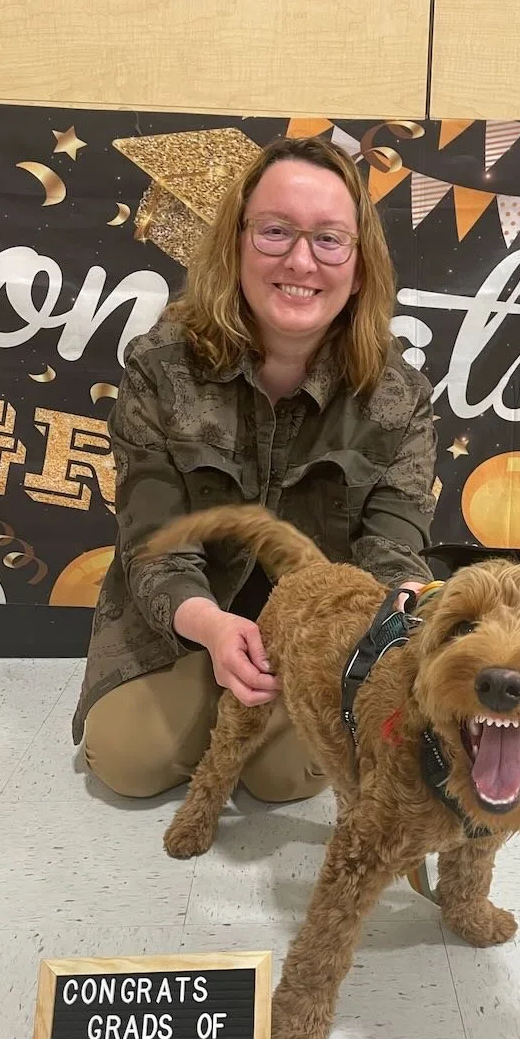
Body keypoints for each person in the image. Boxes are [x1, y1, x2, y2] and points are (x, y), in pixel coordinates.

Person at [72, 135, 438, 801]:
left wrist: (402, 613)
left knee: (284, 779)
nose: (301, 260)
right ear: (236, 242)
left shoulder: (401, 397)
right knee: (125, 759)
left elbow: (394, 546)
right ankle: (218, 706)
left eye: (329, 239)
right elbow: (152, 535)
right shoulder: (158, 368)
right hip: (185, 619)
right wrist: (209, 628)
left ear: (359, 265)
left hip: (319, 633)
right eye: (275, 231)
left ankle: (246, 726)